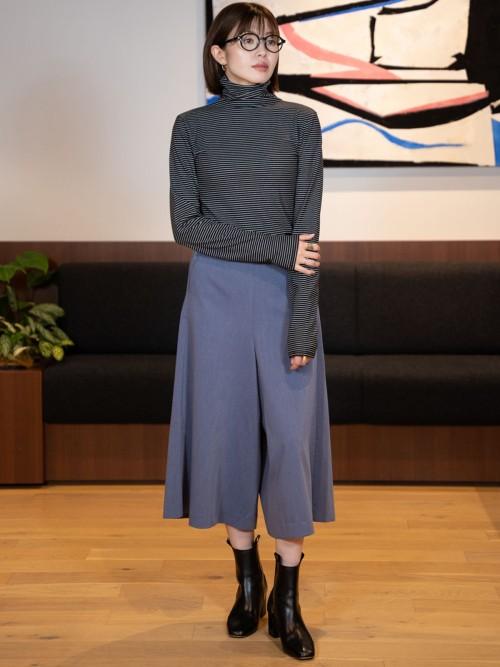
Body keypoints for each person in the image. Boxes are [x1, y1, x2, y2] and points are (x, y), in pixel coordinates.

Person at [163, 2, 335, 660]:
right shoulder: (190, 129)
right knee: (227, 438)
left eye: (271, 42)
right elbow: (188, 227)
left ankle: (287, 596)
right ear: (219, 53)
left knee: (288, 446)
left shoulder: (300, 122)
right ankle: (247, 577)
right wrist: (277, 248)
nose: (263, 53)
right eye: (248, 42)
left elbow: (308, 237)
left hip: (285, 300)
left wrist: (303, 323)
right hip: (215, 301)